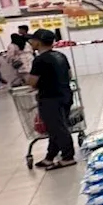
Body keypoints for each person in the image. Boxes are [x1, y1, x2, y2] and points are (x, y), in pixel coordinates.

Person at [23, 29, 75, 169]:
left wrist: (27, 78)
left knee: (58, 128)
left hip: (50, 98)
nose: (30, 42)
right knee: (55, 127)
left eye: (32, 40)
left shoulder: (40, 60)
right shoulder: (60, 55)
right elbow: (69, 75)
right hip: (65, 95)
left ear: (39, 42)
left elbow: (32, 82)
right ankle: (50, 157)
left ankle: (68, 157)